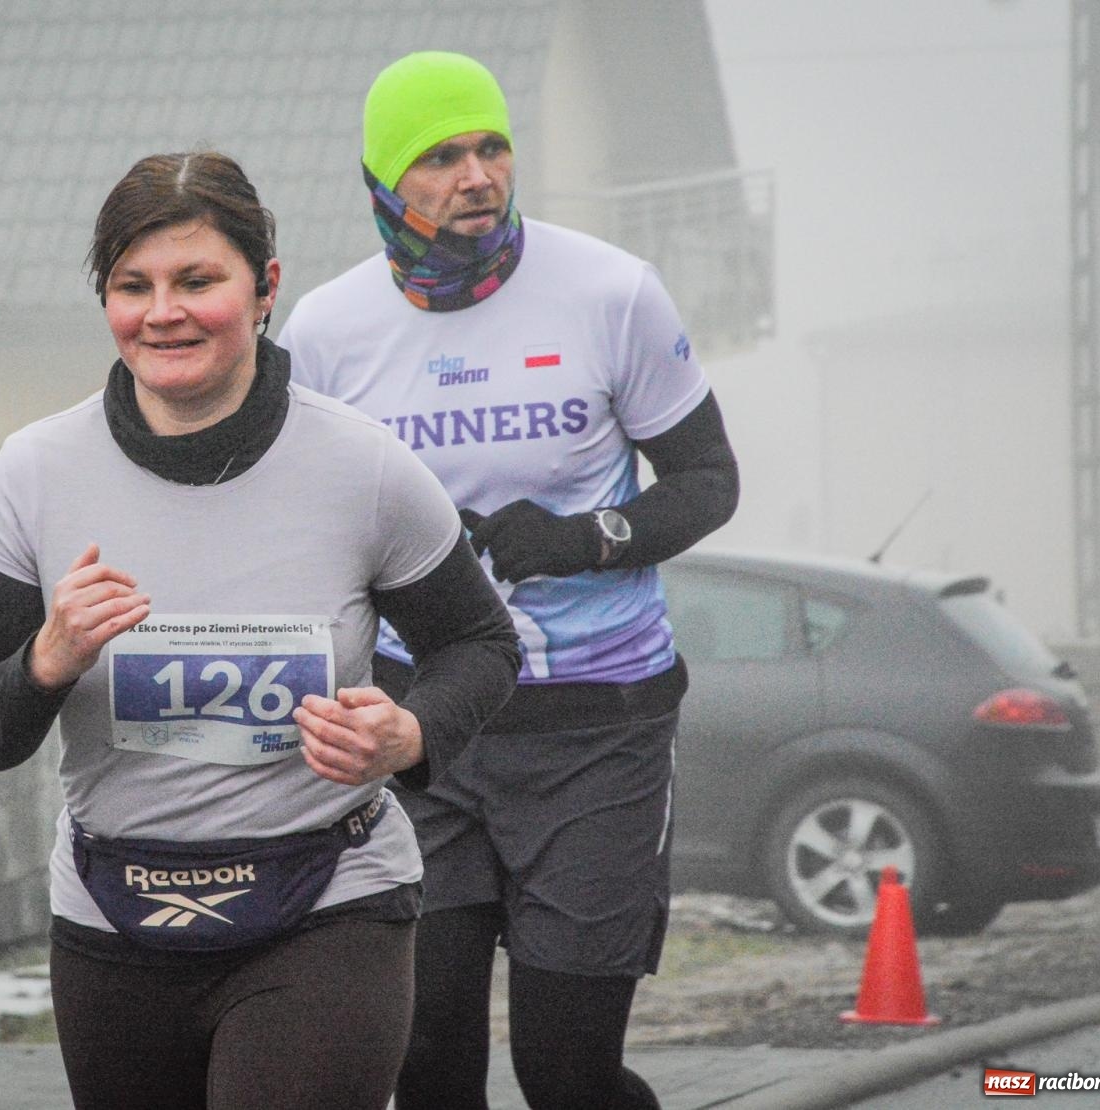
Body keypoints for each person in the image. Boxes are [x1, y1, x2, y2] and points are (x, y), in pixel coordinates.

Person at [0, 150, 519, 1110]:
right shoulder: (37, 472)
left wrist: (409, 734)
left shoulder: (362, 468)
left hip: (328, 902)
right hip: (113, 915)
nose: (163, 312)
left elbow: (482, 647)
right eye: (133, 286)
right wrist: (45, 661)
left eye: (197, 281)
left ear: (264, 289)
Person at [278, 52, 740, 1110]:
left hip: (596, 733)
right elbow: (304, 525)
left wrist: (588, 537)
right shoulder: (327, 330)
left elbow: (709, 481)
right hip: (425, 731)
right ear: (386, 184)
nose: (475, 175)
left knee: (565, 1074)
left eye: (491, 147)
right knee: (429, 1063)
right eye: (440, 157)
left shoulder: (608, 291)